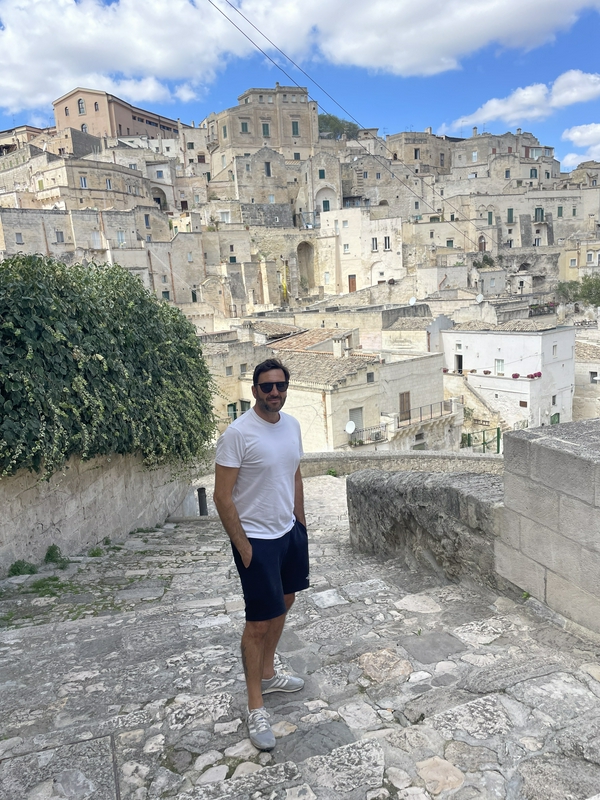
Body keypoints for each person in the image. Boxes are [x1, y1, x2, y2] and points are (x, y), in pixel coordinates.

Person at [213, 358, 309, 750]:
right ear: (254, 390)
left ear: (286, 388)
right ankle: (255, 705)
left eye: (280, 386)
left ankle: (268, 673)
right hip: (256, 541)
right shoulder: (238, 434)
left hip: (288, 534)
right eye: (267, 386)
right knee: (257, 623)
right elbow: (221, 496)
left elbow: (295, 474)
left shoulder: (292, 426)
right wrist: (244, 546)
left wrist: (301, 527)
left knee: (284, 602)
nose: (274, 392)